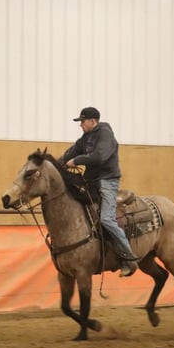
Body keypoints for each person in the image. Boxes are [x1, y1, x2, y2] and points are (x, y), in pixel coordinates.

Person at [58, 106, 139, 277]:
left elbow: (99, 156)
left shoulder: (105, 135)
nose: (81, 125)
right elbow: (70, 153)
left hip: (107, 181)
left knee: (106, 219)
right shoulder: (86, 137)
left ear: (93, 121)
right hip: (92, 181)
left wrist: (77, 160)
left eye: (82, 122)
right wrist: (54, 164)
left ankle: (129, 258)